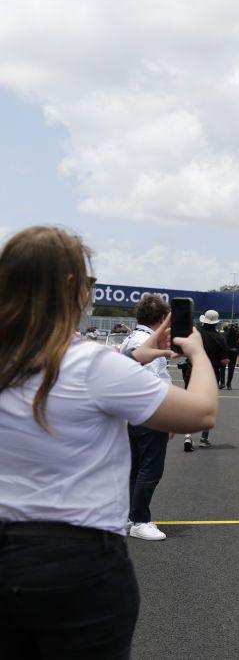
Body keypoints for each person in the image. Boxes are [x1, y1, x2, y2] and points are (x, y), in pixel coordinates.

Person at [0, 226, 218, 657]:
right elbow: (202, 412)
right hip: (78, 564)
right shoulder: (89, 365)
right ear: (70, 288)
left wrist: (138, 355)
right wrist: (197, 354)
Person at [120, 296, 175, 542]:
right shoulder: (146, 342)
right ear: (162, 319)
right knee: (150, 470)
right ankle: (140, 520)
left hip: (131, 412)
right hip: (149, 413)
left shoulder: (132, 338)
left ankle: (131, 517)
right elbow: (153, 383)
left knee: (136, 468)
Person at [183, 310, 228, 451]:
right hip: (210, 374)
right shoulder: (220, 338)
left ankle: (188, 435)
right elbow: (224, 361)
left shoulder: (195, 334)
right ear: (216, 322)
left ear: (204, 320)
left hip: (192, 371)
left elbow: (185, 350)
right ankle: (204, 438)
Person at [223, 322, 239, 389]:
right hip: (233, 352)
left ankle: (222, 382)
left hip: (225, 352)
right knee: (231, 369)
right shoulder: (237, 335)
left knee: (222, 368)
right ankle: (229, 384)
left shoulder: (223, 334)